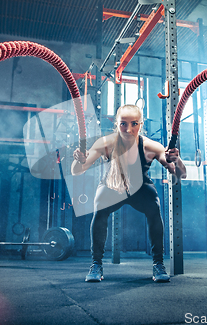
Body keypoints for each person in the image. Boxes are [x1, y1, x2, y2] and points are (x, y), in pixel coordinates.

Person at [71, 104, 187, 282]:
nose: (129, 129)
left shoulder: (150, 146)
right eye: (123, 124)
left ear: (141, 124)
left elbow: (181, 173)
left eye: (134, 124)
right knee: (99, 207)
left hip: (139, 189)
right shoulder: (106, 143)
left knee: (154, 208)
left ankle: (158, 264)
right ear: (116, 124)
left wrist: (176, 159)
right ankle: (96, 265)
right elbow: (77, 170)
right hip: (112, 186)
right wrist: (79, 161)